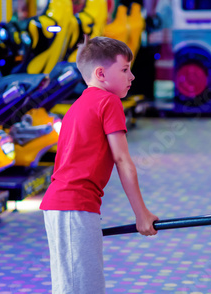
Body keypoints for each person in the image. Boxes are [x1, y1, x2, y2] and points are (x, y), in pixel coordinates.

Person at [40, 36, 158, 294]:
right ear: (101, 73)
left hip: (66, 206)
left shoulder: (79, 105)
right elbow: (122, 160)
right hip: (74, 205)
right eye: (125, 69)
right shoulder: (109, 102)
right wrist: (141, 214)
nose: (133, 77)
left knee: (74, 286)